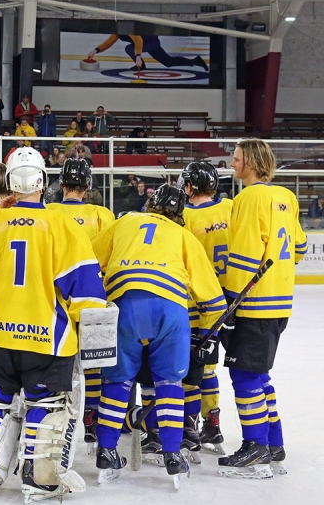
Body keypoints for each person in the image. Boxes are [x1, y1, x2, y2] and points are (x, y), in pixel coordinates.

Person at [0, 147, 107, 500]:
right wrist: (91, 333)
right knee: (45, 406)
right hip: (47, 338)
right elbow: (85, 289)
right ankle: (37, 481)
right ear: (44, 182)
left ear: (9, 184)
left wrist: (2, 208)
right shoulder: (62, 225)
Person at [90, 184, 225, 486]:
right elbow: (214, 302)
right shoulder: (184, 236)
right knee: (169, 383)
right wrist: (207, 334)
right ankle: (172, 454)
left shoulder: (124, 222)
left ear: (150, 205)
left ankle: (107, 450)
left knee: (116, 381)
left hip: (124, 305)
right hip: (170, 310)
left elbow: (88, 260)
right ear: (180, 214)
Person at [218, 139, 307, 478]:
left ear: (252, 163)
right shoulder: (287, 196)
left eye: (237, 158)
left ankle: (255, 446)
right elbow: (299, 247)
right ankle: (273, 443)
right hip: (280, 300)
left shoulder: (247, 198)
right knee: (258, 374)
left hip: (252, 303)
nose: (232, 164)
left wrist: (229, 301)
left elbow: (242, 256)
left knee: (244, 374)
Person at [45, 158, 115, 448]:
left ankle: (52, 413)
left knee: (55, 359)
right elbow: (109, 258)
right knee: (94, 362)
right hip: (90, 296)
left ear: (61, 185)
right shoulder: (101, 214)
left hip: (54, 300)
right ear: (88, 186)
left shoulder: (47, 212)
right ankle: (92, 416)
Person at [178, 162, 233, 457]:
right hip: (227, 301)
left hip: (193, 302)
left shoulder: (184, 217)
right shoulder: (230, 208)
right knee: (209, 367)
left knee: (189, 367)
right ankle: (213, 422)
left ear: (189, 187)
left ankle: (189, 424)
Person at [88, 34, 208, 73]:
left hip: (152, 42)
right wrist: (95, 50)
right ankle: (194, 61)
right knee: (168, 63)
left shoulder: (127, 27)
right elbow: (108, 43)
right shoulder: (116, 33)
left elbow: (138, 40)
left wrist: (138, 57)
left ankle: (141, 65)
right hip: (146, 44)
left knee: (129, 48)